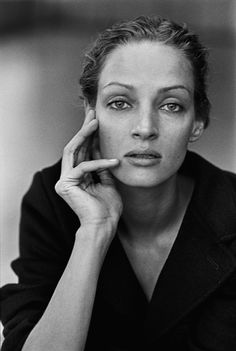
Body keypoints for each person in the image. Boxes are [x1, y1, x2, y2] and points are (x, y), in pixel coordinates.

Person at [1, 15, 236, 351]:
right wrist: (93, 233)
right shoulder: (52, 201)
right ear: (91, 113)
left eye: (171, 105)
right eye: (120, 103)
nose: (144, 127)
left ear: (197, 122)